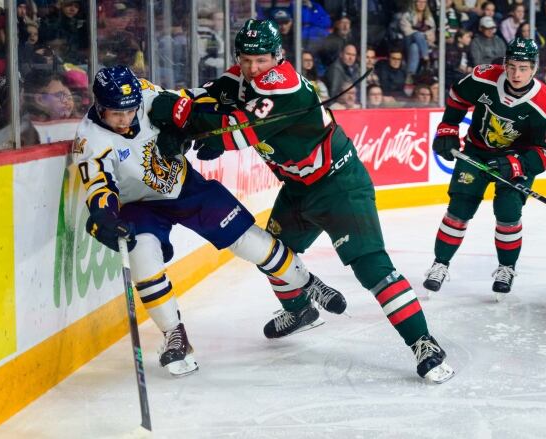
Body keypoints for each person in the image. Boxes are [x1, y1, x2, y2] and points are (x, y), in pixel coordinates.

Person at [150, 19, 454, 384]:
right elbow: (205, 98)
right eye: (246, 60)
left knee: (372, 267)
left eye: (261, 60)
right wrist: (173, 115)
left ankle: (424, 342)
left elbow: (237, 131)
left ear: (276, 57)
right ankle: (299, 311)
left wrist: (185, 119)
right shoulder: (240, 79)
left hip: (339, 185)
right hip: (298, 188)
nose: (253, 68)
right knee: (272, 253)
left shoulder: (284, 85)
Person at [74, 66, 346, 376]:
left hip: (185, 187)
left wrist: (184, 133)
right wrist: (105, 217)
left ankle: (308, 284)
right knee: (143, 259)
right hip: (138, 206)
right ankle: (174, 335)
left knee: (248, 239)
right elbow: (99, 187)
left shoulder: (147, 94)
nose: (125, 119)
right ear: (98, 105)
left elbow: (191, 106)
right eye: (115, 113)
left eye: (130, 110)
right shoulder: (90, 139)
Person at [424, 38, 546, 300]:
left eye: (523, 68)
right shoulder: (484, 77)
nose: (516, 74)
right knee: (459, 210)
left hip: (516, 160)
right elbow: (457, 95)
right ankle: (440, 264)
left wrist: (515, 164)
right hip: (477, 151)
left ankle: (506, 268)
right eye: (511, 66)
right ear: (504, 63)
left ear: (534, 68)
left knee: (508, 213)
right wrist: (448, 127)